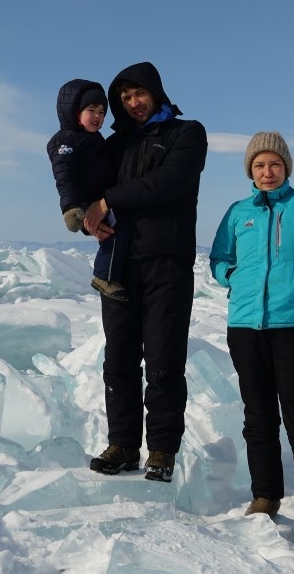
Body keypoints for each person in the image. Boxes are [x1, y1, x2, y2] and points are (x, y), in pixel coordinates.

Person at [208, 131, 294, 549]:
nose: (267, 172)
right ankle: (266, 496)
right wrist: (229, 277)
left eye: (274, 164)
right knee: (258, 417)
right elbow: (219, 258)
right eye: (258, 166)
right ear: (250, 171)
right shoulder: (238, 211)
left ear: (286, 167)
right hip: (246, 327)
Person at [82, 62, 207, 483]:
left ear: (155, 92)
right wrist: (86, 211)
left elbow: (169, 183)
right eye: (125, 98)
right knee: (118, 360)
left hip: (166, 263)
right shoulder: (114, 145)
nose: (133, 103)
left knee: (163, 360)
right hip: (118, 263)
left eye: (139, 94)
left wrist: (108, 200)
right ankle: (122, 444)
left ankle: (161, 450)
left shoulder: (186, 134)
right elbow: (85, 181)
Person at [47, 78, 129, 301]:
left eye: (102, 112)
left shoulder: (94, 139)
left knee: (118, 231)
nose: (97, 116)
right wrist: (71, 208)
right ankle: (104, 277)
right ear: (73, 111)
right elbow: (64, 178)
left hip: (102, 197)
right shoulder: (65, 141)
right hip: (86, 200)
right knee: (114, 234)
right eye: (91, 109)